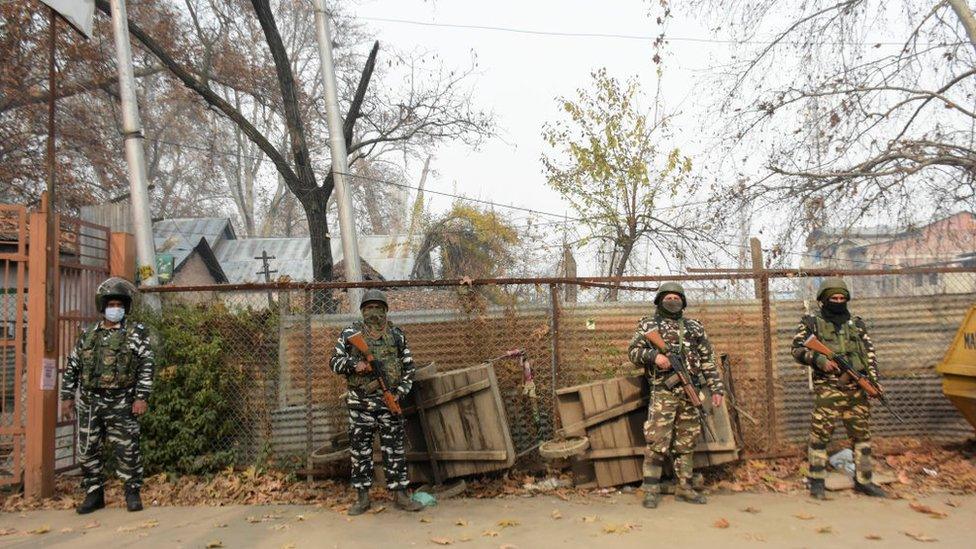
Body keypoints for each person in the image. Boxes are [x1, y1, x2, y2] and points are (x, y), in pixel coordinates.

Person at [60, 277, 154, 514]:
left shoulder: (135, 333)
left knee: (127, 450)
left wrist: (141, 396)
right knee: (87, 450)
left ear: (126, 307)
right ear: (102, 307)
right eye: (111, 304)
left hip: (121, 401)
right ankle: (94, 494)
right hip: (90, 402)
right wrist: (67, 395)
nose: (115, 309)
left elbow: (146, 364)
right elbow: (73, 364)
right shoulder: (89, 334)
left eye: (119, 304)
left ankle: (132, 493)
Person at [627, 282, 725, 508]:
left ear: (683, 300)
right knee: (657, 441)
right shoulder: (649, 324)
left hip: (690, 392)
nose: (672, 300)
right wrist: (654, 357)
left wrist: (716, 388)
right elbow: (633, 352)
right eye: (668, 297)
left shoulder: (694, 327)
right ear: (660, 300)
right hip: (663, 392)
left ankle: (685, 488)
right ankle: (650, 489)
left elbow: (708, 361)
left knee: (686, 442)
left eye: (676, 297)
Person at [791, 277, 887, 499]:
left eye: (842, 298)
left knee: (861, 436)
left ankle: (864, 481)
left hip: (857, 388)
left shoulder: (856, 323)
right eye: (833, 298)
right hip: (828, 388)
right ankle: (816, 482)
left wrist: (873, 381)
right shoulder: (811, 322)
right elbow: (796, 349)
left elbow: (869, 354)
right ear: (824, 299)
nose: (838, 301)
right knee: (820, 436)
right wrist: (819, 360)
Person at [330, 289, 423, 515]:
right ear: (362, 310)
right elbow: (334, 362)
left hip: (388, 402)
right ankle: (362, 498)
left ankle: (400, 494)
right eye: (369, 307)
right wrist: (355, 365)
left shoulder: (397, 335)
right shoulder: (351, 333)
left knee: (394, 450)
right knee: (360, 451)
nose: (373, 312)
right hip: (359, 403)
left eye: (377, 308)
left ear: (385, 310)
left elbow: (409, 369)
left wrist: (398, 392)